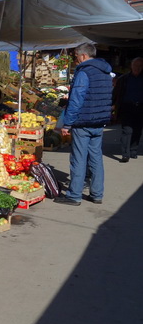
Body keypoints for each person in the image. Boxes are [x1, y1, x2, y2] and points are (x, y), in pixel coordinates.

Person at [54, 43, 113, 206]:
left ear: (83, 56)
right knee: (95, 157)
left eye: (75, 56)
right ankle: (97, 194)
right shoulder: (106, 72)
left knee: (78, 158)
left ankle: (74, 195)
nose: (75, 60)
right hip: (99, 122)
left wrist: (67, 124)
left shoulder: (84, 72)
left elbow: (76, 99)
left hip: (84, 121)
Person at [113, 57, 143, 162]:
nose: (137, 68)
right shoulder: (124, 79)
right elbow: (116, 93)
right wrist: (112, 105)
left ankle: (133, 151)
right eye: (135, 65)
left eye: (140, 66)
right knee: (127, 130)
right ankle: (125, 154)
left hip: (140, 107)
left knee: (137, 130)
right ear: (131, 66)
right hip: (127, 107)